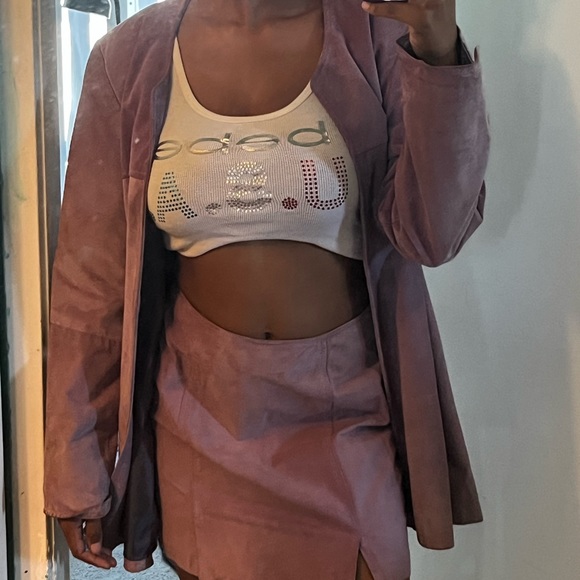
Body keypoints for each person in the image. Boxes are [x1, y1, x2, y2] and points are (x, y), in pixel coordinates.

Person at [43, 0, 489, 578]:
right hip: (200, 424)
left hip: (346, 418)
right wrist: (76, 462)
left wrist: (436, 50)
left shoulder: (377, 37)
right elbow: (90, 290)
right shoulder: (126, 58)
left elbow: (433, 234)